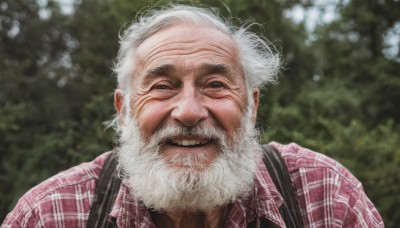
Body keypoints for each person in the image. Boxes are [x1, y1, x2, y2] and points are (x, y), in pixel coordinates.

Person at [2, 4, 383, 228]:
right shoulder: (49, 214)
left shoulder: (326, 196)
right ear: (123, 111)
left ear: (252, 108)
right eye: (162, 85)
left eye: (215, 84)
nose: (188, 111)